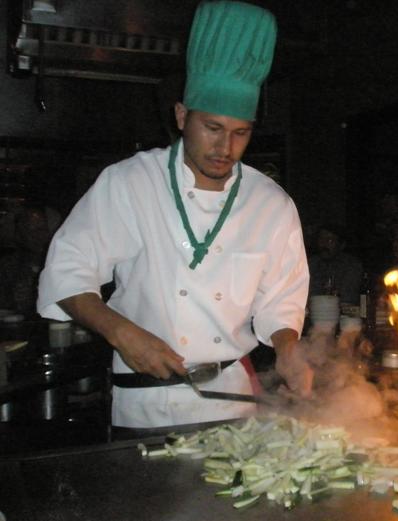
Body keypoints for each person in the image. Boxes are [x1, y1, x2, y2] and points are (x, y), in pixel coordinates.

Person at [37, 1, 311, 429]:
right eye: (212, 128)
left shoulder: (271, 204)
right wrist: (121, 332)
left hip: (233, 405)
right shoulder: (130, 183)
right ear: (182, 116)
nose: (225, 148)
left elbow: (282, 299)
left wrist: (288, 346)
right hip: (145, 405)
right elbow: (67, 272)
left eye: (241, 133)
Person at [0, 204, 51, 316]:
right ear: (19, 234)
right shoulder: (8, 266)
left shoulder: (59, 262)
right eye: (31, 230)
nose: (38, 235)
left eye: (42, 229)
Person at [307, 223, 362, 305]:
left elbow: (348, 297)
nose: (324, 244)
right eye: (321, 239)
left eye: (330, 240)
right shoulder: (310, 264)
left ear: (341, 245)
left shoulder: (351, 265)